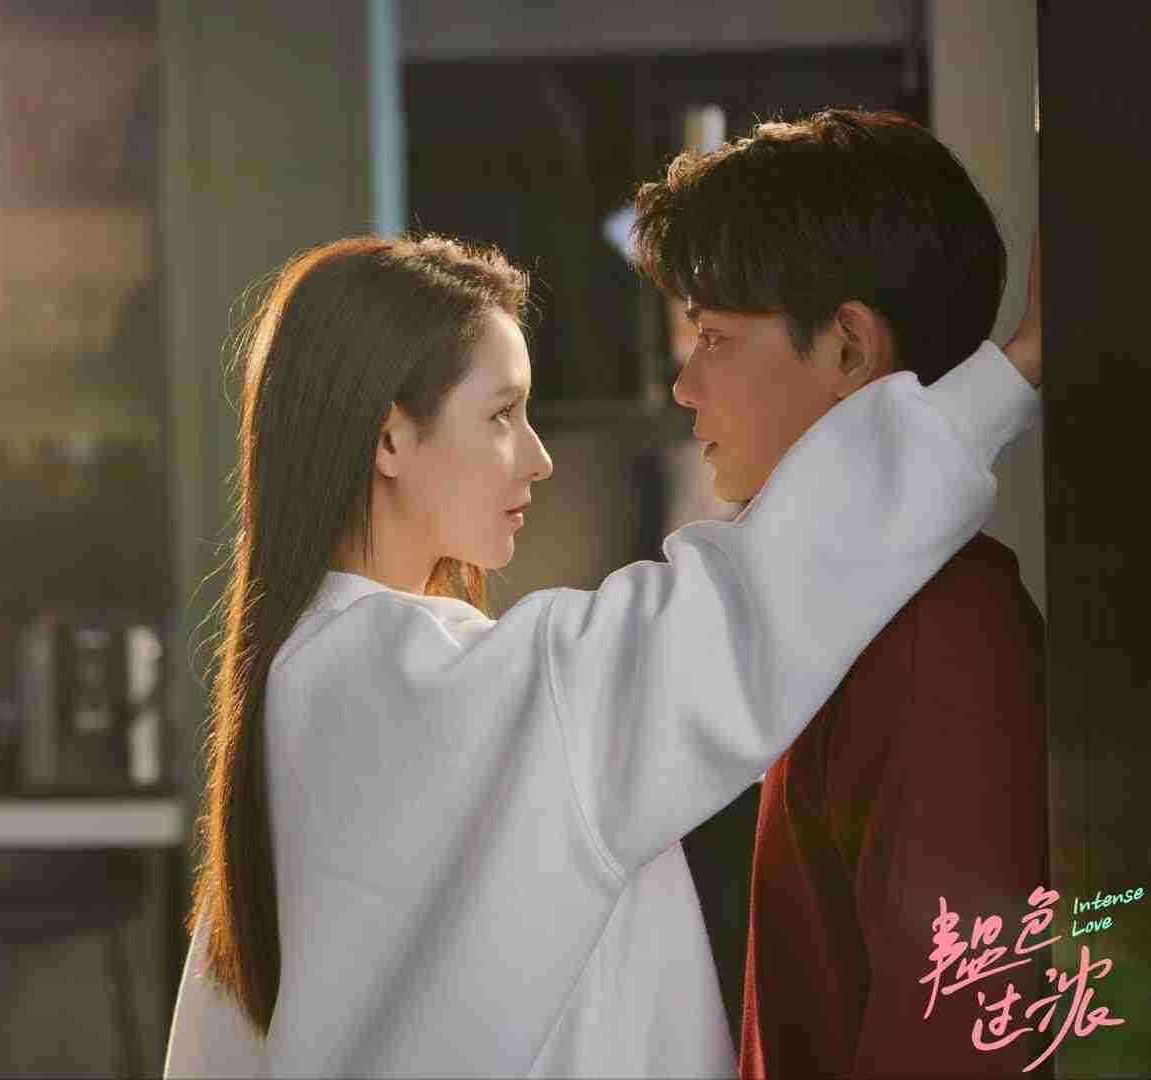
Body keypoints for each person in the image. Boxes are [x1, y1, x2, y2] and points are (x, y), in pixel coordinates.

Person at [163, 228, 1041, 1076]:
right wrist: (1013, 373)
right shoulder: (448, 687)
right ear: (390, 438)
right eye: (501, 414)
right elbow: (747, 604)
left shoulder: (305, 686)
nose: (538, 458)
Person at [632, 108, 1053, 1077]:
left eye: (715, 337)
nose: (686, 385)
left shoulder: (943, 640)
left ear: (850, 351)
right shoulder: (841, 625)